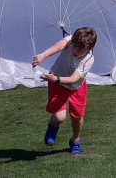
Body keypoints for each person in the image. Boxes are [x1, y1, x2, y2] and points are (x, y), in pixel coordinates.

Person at [33, 27, 98, 155]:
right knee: (59, 117)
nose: (74, 50)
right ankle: (53, 126)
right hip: (57, 82)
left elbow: (73, 79)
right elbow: (57, 47)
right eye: (73, 46)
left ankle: (75, 140)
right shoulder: (71, 40)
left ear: (89, 49)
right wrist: (42, 56)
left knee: (77, 116)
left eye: (79, 50)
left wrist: (55, 79)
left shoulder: (88, 60)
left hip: (76, 87)